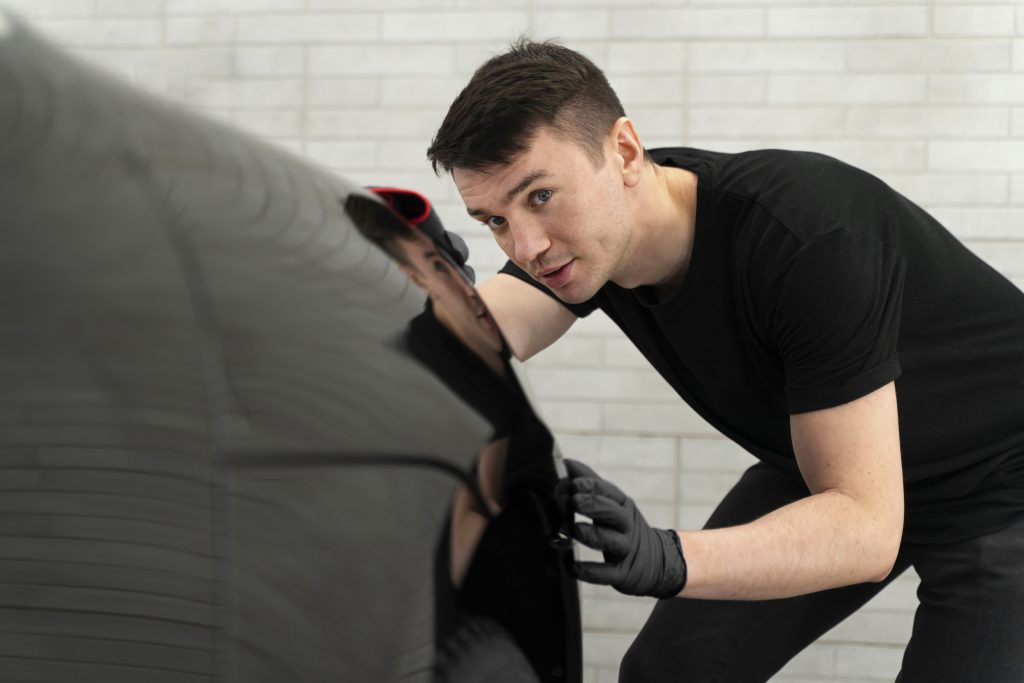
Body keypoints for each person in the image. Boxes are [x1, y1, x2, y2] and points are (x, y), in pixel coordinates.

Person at [424, 39, 1024, 682]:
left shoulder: (807, 236)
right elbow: (465, 340)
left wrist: (669, 558)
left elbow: (864, 527)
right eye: (493, 221)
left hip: (1001, 478)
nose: (526, 246)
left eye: (540, 196)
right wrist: (413, 279)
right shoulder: (585, 243)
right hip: (831, 459)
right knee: (669, 673)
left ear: (623, 151)